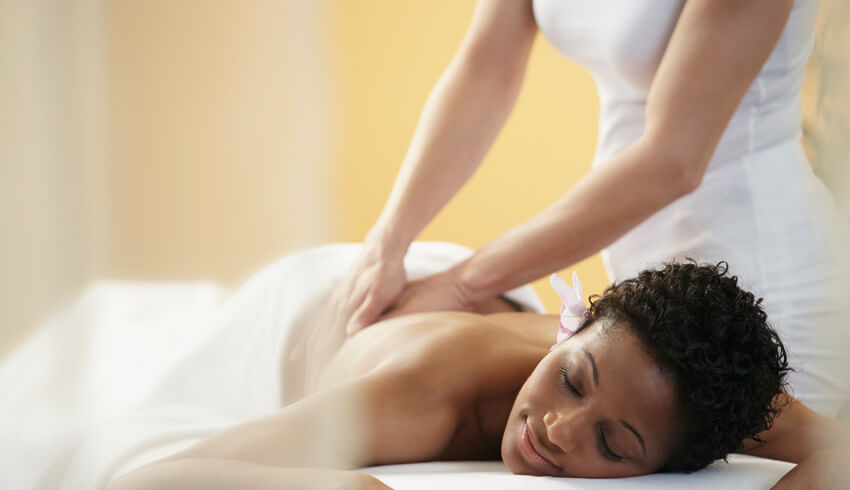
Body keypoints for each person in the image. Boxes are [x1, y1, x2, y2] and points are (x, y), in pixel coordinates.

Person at [327, 0, 849, 417]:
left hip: (761, 279)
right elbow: (486, 65)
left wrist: (463, 283)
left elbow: (673, 161)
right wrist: (390, 239)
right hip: (644, 282)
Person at [105, 261, 848, 489]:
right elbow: (145, 480)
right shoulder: (412, 403)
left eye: (614, 447)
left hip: (478, 312)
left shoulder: (670, 376)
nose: (555, 429)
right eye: (570, 380)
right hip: (313, 307)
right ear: (577, 329)